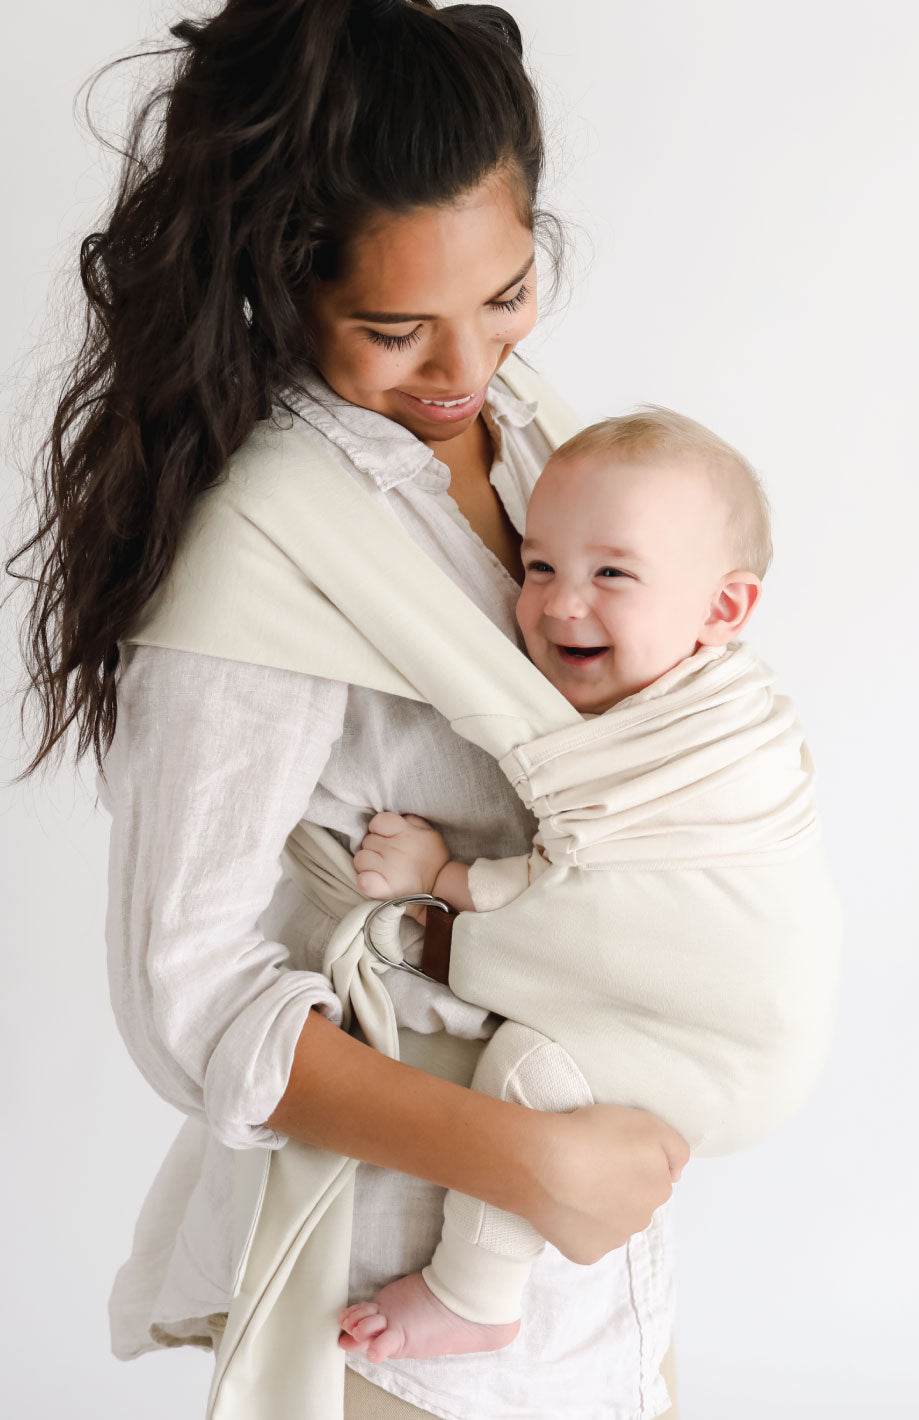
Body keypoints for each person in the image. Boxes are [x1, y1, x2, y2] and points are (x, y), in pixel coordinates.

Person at [6, 2, 690, 1417]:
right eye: (395, 328)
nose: (464, 369)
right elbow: (184, 994)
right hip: (396, 1290)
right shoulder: (263, 554)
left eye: (503, 294)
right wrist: (525, 1164)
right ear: (276, 282)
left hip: (599, 1275)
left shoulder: (530, 434)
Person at [340, 410, 840, 1361]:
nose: (560, 604)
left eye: (611, 574)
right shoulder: (676, 709)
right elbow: (602, 866)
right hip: (726, 1014)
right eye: (536, 567)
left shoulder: (713, 740)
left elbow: (591, 892)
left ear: (722, 613)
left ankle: (473, 1295)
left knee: (528, 1071)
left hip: (734, 1039)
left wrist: (443, 881)